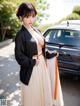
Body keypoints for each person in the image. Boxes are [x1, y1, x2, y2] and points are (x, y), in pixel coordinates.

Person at [15, 2, 58, 106]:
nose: (31, 20)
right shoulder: (20, 35)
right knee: (33, 97)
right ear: (21, 17)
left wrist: (50, 54)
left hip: (42, 66)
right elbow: (19, 56)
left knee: (43, 93)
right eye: (27, 16)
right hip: (31, 69)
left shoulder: (37, 30)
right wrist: (32, 62)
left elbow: (41, 48)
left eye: (33, 16)